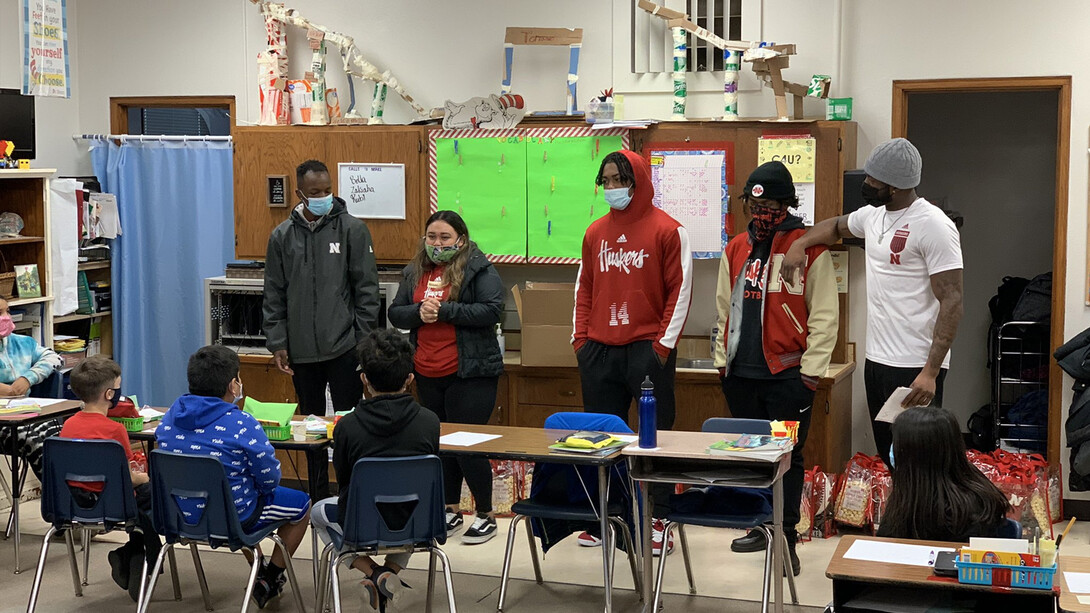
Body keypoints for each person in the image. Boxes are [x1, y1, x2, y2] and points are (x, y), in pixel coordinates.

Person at [783, 138, 963, 467]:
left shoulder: (934, 225)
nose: (865, 185)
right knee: (890, 455)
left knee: (920, 462)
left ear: (894, 187)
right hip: (877, 360)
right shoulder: (873, 216)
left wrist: (930, 372)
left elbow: (952, 301)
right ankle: (904, 518)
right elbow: (836, 226)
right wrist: (801, 243)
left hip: (915, 365)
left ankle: (925, 520)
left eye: (872, 180)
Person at [714, 161, 838, 575]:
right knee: (752, 458)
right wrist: (721, 362)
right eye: (753, 203)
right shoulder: (735, 248)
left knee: (787, 457)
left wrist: (810, 374)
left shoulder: (809, 248)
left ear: (786, 204)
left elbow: (824, 317)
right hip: (741, 377)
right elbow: (722, 311)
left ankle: (785, 535)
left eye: (770, 205)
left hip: (787, 379)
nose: (761, 213)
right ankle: (758, 525)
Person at [572, 149, 693, 555]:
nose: (612, 188)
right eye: (605, 180)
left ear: (637, 180)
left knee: (652, 440)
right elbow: (584, 287)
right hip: (600, 350)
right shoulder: (594, 232)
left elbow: (680, 290)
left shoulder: (668, 230)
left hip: (646, 350)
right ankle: (606, 516)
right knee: (601, 439)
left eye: (619, 179)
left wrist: (661, 348)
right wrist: (580, 340)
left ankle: (658, 519)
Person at [156, 345, 310, 609]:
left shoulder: (169, 417)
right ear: (232, 386)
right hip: (233, 516)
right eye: (239, 378)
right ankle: (270, 577)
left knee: (223, 499)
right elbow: (270, 478)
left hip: (177, 514)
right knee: (302, 504)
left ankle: (258, 570)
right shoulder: (242, 422)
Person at [263, 159, 380, 500]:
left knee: (348, 428)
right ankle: (315, 497)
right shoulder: (281, 236)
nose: (323, 197)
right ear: (299, 193)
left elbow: (367, 292)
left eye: (328, 190)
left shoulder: (352, 229)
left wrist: (362, 343)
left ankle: (348, 494)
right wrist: (278, 343)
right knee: (309, 433)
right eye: (315, 192)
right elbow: (274, 294)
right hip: (301, 351)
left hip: (345, 349)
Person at [388, 210, 504, 545]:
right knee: (441, 444)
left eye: (445, 238)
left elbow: (490, 310)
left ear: (461, 240)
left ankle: (486, 513)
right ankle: (451, 507)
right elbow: (397, 312)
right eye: (432, 238)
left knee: (466, 445)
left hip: (470, 372)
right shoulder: (415, 270)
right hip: (426, 369)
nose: (437, 244)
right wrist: (419, 312)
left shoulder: (478, 267)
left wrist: (444, 310)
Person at [311, 329, 440, 610]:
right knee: (410, 510)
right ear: (410, 379)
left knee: (317, 512)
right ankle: (388, 575)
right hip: (419, 522)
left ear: (364, 380)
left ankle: (374, 573)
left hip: (362, 522)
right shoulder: (430, 422)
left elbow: (345, 481)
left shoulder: (347, 427)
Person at [59, 355, 161, 602]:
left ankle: (134, 555)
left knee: (140, 503)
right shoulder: (115, 430)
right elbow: (128, 478)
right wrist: (145, 477)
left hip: (75, 504)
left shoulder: (67, 427)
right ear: (108, 395)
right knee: (153, 496)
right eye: (117, 388)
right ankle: (139, 554)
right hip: (115, 505)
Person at [878, 406, 1010, 542]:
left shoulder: (969, 512)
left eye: (897, 443)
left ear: (915, 455)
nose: (892, 449)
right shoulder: (911, 492)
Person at [0, 296, 63, 480]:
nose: (5, 317)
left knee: (59, 436)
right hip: (3, 422)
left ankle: (72, 493)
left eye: (7, 312)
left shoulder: (23, 343)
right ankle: (58, 493)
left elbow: (55, 358)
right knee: (34, 442)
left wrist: (28, 378)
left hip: (26, 412)